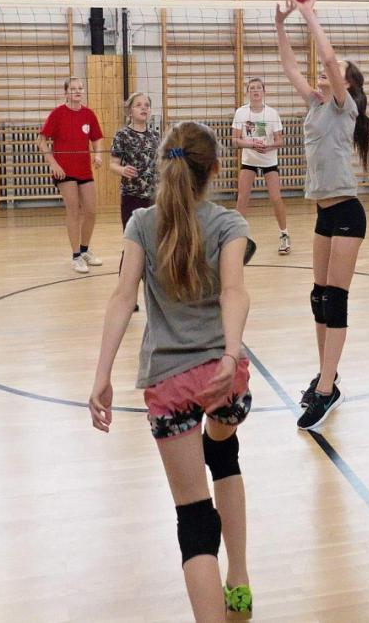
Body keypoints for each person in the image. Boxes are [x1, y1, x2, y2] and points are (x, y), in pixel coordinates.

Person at [89, 121, 255, 622]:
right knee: (223, 454)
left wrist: (101, 375)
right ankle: (239, 578)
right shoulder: (229, 224)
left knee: (194, 517)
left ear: (163, 167)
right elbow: (233, 291)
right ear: (216, 170)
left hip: (169, 384)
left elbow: (122, 297)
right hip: (223, 378)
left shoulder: (141, 223)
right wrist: (229, 356)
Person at [276, 0, 369, 431]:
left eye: (332, 74)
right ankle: (325, 377)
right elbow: (289, 68)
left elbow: (330, 59)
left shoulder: (342, 106)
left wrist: (309, 12)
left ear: (346, 85)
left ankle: (327, 387)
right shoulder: (316, 104)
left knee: (335, 299)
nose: (321, 73)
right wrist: (281, 23)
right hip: (323, 214)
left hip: (348, 212)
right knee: (318, 297)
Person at [38, 76, 104, 273]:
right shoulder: (57, 114)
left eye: (80, 88)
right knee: (73, 210)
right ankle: (76, 256)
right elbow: (41, 141)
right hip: (64, 171)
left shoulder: (88, 114)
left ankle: (84, 250)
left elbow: (97, 138)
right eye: (73, 88)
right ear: (66, 92)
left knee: (91, 211)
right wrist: (53, 164)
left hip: (84, 169)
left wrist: (98, 155)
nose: (77, 91)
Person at [232, 77, 290, 255]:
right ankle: (237, 238)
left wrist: (268, 146)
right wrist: (251, 144)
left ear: (264, 92)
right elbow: (235, 140)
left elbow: (280, 141)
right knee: (242, 198)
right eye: (252, 88)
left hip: (268, 160)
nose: (255, 91)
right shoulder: (241, 113)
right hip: (249, 160)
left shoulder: (272, 113)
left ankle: (284, 235)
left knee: (275, 197)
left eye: (258, 88)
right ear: (247, 92)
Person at [110, 92, 160, 232]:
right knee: (132, 235)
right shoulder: (122, 135)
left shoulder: (155, 136)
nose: (144, 108)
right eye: (138, 105)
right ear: (129, 111)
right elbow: (112, 164)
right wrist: (123, 170)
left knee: (153, 236)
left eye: (147, 105)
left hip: (153, 195)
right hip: (132, 195)